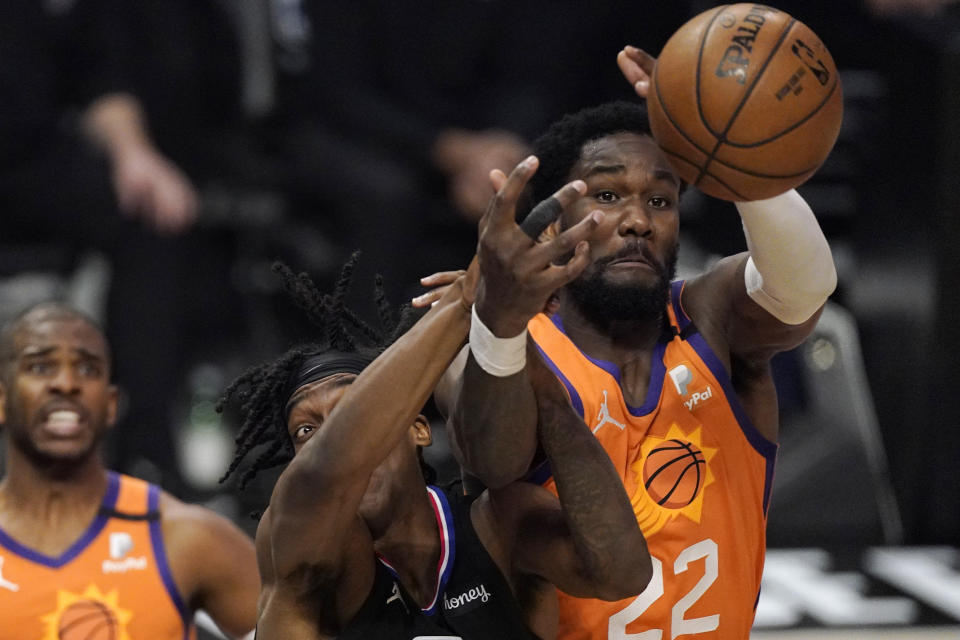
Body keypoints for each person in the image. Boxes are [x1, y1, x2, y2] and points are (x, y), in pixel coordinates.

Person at [445, 47, 838, 639]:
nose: (638, 220)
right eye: (606, 197)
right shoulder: (506, 348)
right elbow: (491, 461)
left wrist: (731, 152)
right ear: (551, 226)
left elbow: (802, 288)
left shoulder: (710, 317)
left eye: (660, 200)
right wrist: (498, 319)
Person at [218, 253, 651, 639]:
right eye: (306, 432)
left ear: (418, 429)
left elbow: (623, 576)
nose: (333, 440)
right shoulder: (297, 550)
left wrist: (514, 342)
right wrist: (464, 304)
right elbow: (327, 470)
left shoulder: (500, 525)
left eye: (351, 411)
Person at [0, 303, 259, 640]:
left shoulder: (184, 536)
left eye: (88, 370)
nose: (65, 383)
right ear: (2, 400)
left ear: (111, 405)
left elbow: (300, 622)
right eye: (41, 367)